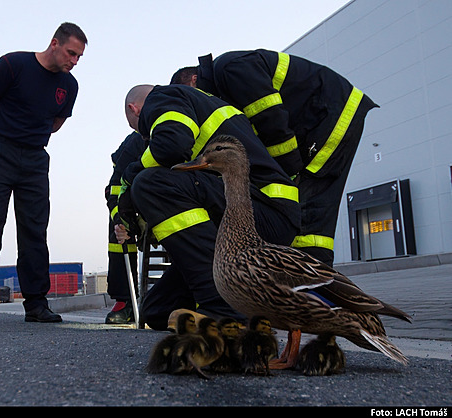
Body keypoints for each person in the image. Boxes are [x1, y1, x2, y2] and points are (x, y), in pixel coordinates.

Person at [116, 84, 301, 330]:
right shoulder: (201, 103)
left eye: (137, 128)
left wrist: (132, 174)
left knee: (149, 183)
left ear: (135, 109)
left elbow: (171, 144)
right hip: (262, 210)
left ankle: (226, 310)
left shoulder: (164, 96)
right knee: (158, 310)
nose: (143, 137)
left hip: (260, 208)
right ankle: (249, 307)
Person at [170, 50, 378, 266]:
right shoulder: (226, 81)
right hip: (322, 121)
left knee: (310, 210)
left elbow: (270, 120)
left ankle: (314, 286)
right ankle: (307, 281)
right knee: (308, 207)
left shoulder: (230, 68)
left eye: (191, 95)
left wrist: (288, 171)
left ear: (194, 79)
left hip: (331, 119)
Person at [0, 22, 87, 324]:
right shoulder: (14, 64)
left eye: (79, 58)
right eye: (71, 53)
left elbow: (56, 123)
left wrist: (28, 140)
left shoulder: (69, 86)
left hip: (35, 160)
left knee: (35, 231)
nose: (73, 62)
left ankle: (36, 304)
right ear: (54, 43)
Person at [103, 131, 146, 324]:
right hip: (142, 200)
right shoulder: (134, 143)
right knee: (117, 228)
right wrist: (121, 222)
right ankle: (125, 300)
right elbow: (114, 190)